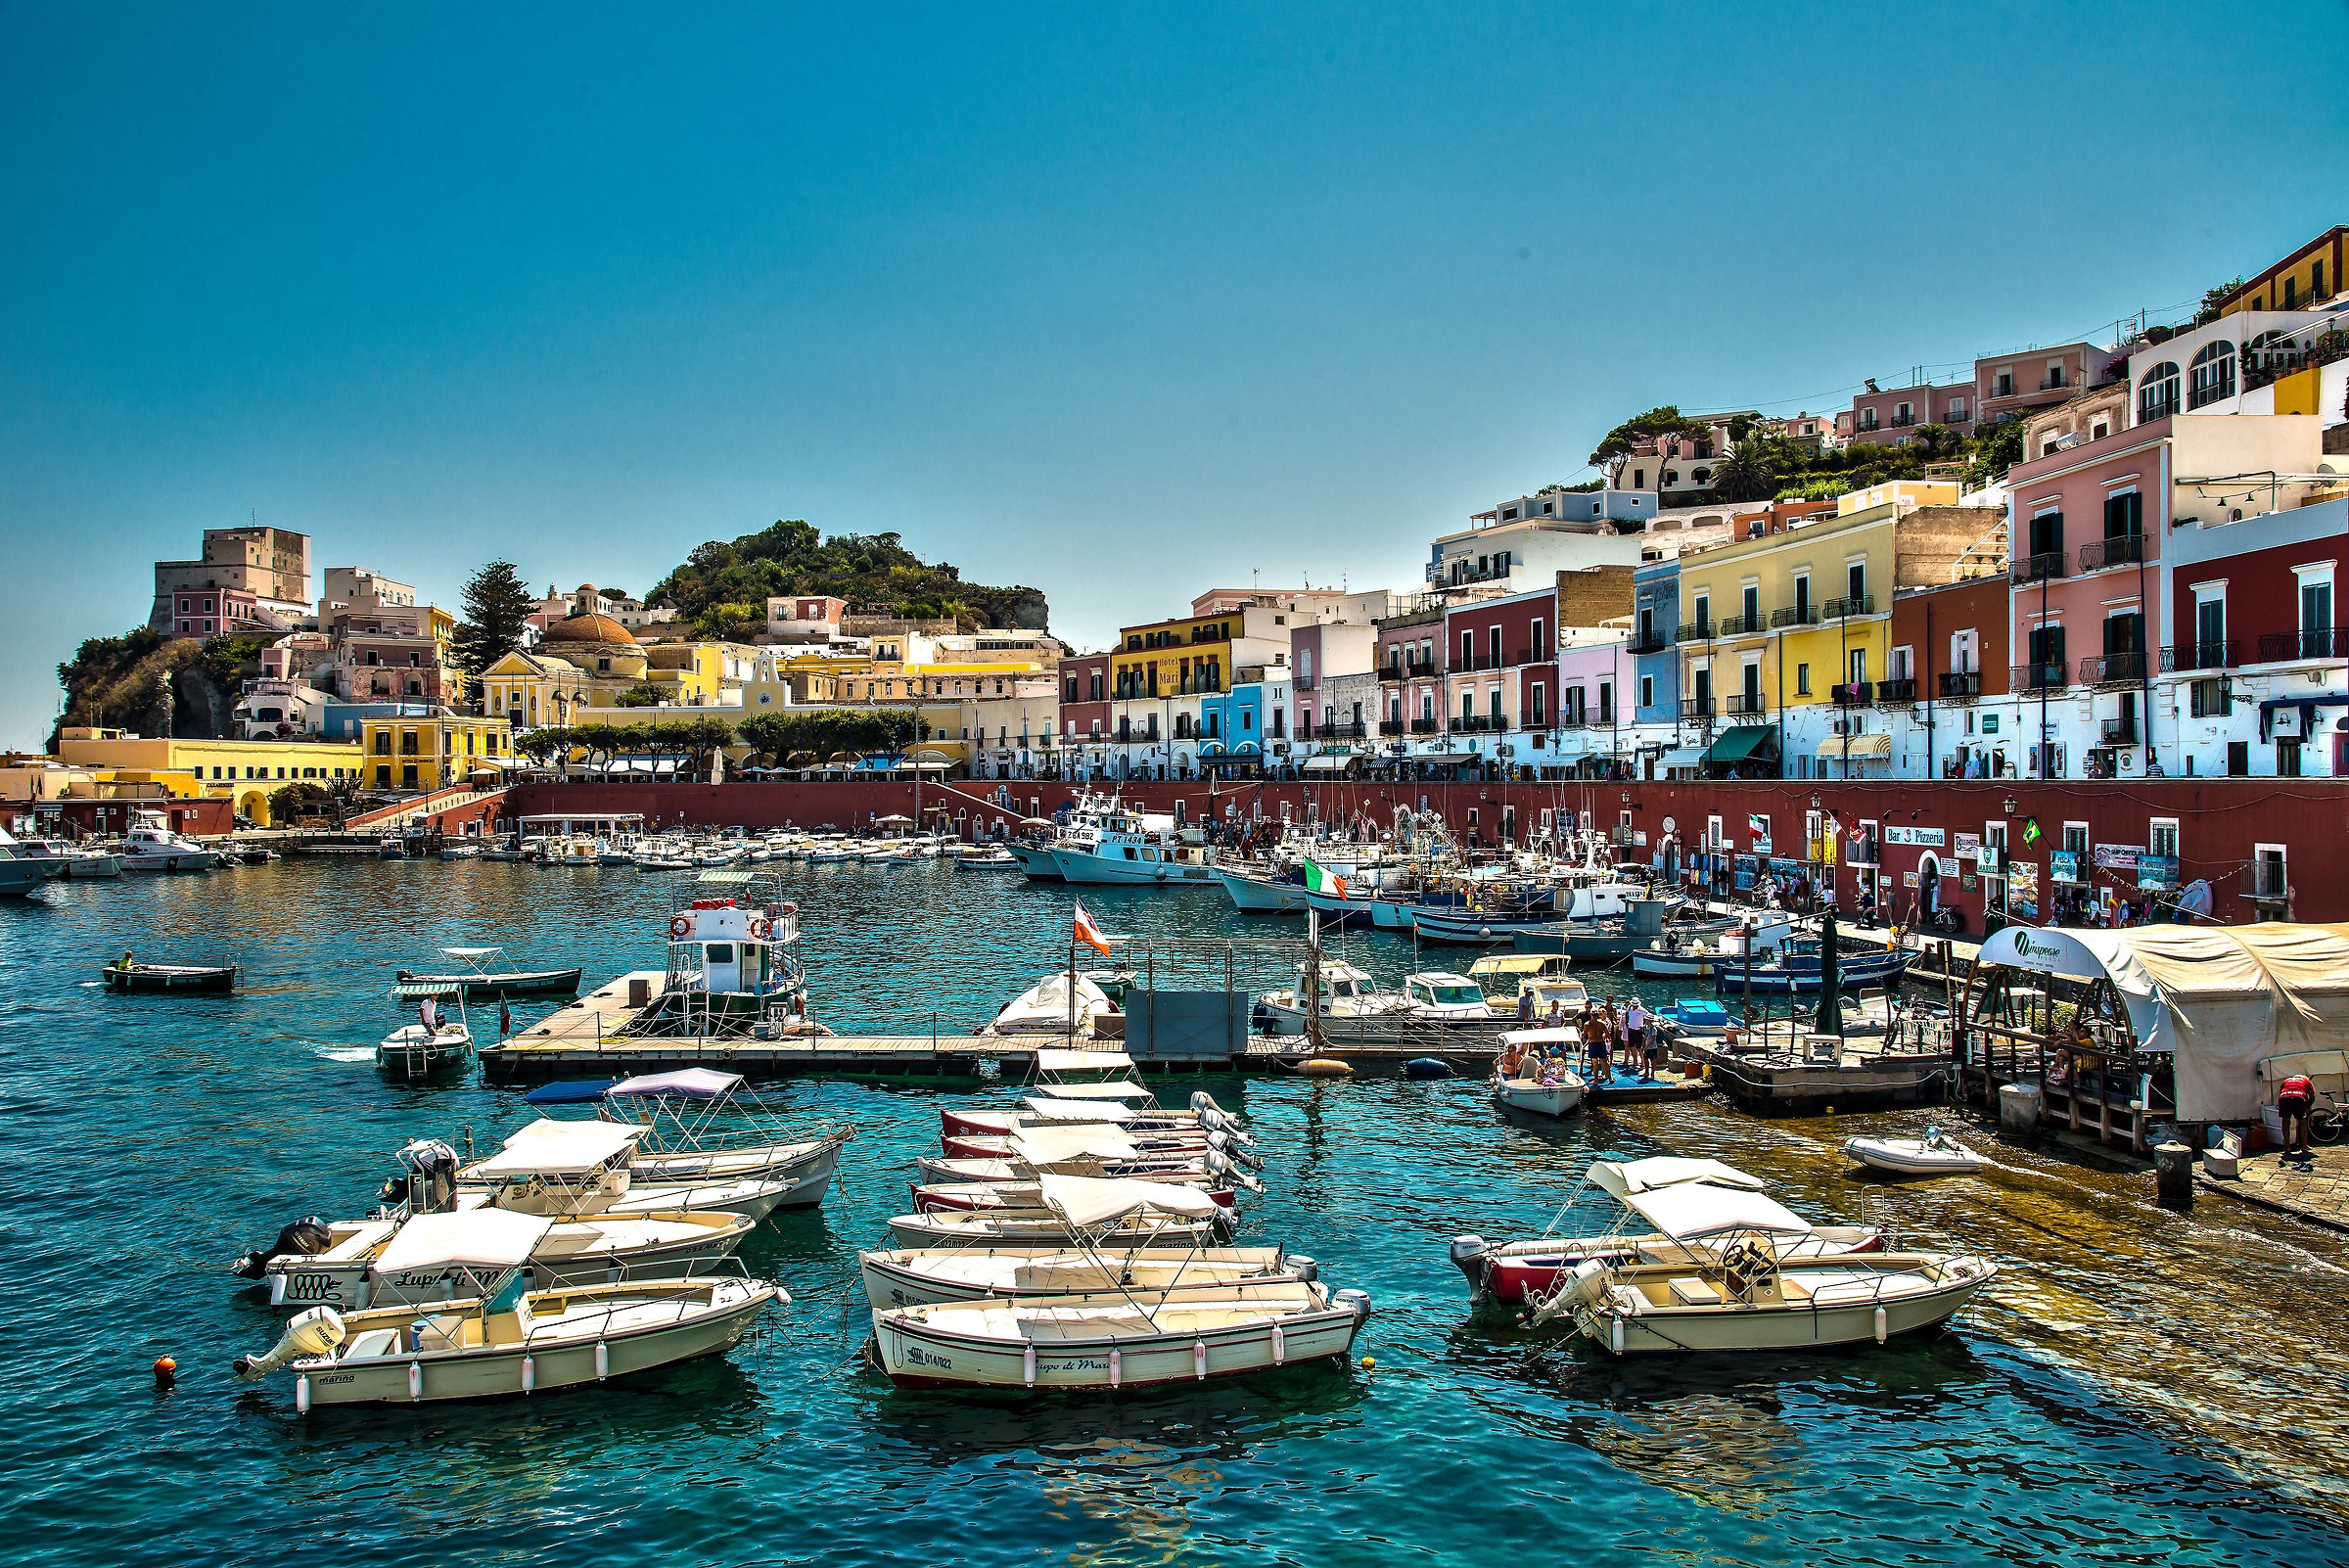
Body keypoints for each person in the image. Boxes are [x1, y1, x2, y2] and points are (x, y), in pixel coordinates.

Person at [2277, 1069, 2317, 1164]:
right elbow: (2312, 1096)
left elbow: (2280, 1092)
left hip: (2283, 1098)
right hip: (2298, 1098)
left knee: (2285, 1121)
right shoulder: (2307, 1081)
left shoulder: (2286, 1080)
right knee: (2302, 1121)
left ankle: (2287, 1146)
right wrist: (2307, 1106)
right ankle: (2304, 1146)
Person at [1625, 997, 1649, 1079]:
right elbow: (1627, 1015)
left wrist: (1644, 1026)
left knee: (1639, 1048)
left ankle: (1643, 1062)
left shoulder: (1642, 1010)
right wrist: (1627, 1023)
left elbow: (1648, 1016)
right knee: (1631, 1046)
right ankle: (1635, 1062)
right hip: (1631, 1029)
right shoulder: (1629, 1008)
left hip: (1638, 1030)